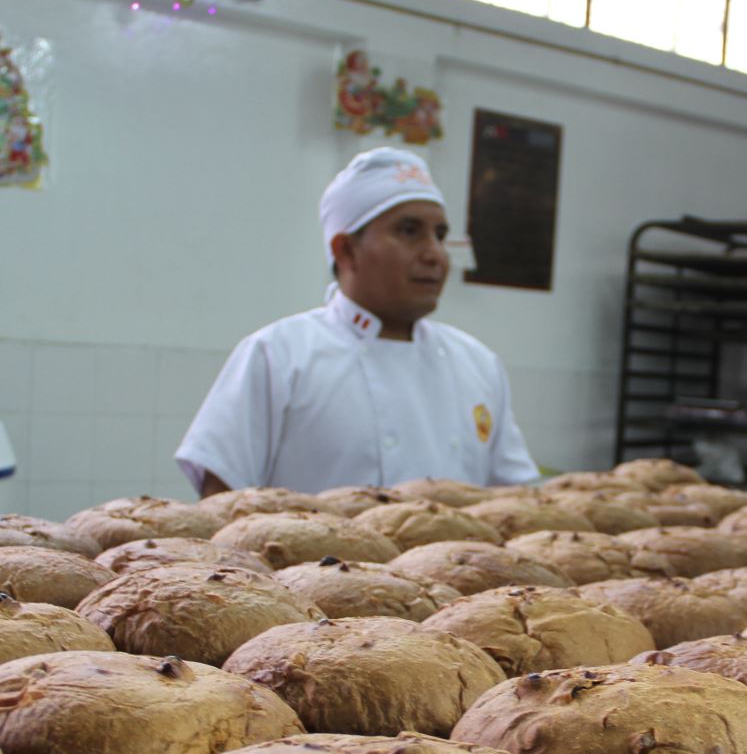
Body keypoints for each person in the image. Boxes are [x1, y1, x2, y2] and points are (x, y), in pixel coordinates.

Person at [176, 147, 540, 495]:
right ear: (345, 250)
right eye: (409, 231)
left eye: (440, 234)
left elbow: (516, 505)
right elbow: (222, 508)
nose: (434, 254)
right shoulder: (278, 356)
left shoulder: (477, 363)